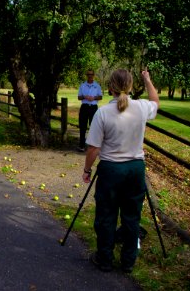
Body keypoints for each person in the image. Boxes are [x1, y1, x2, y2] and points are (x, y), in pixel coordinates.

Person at [82, 69, 159, 273]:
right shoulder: (141, 108)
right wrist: (148, 81)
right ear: (131, 86)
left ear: (110, 87)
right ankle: (128, 262)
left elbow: (94, 148)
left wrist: (87, 170)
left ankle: (105, 259)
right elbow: (155, 102)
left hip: (111, 169)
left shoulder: (103, 112)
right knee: (132, 216)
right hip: (135, 169)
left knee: (107, 215)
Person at [77, 69, 103, 152]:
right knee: (82, 126)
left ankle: (92, 147)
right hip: (84, 107)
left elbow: (100, 97)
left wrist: (94, 97)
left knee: (94, 127)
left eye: (91, 74)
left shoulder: (97, 86)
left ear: (93, 75)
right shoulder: (83, 85)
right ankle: (81, 146)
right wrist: (85, 97)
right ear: (86, 75)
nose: (90, 76)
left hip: (93, 108)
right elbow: (79, 97)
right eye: (88, 74)